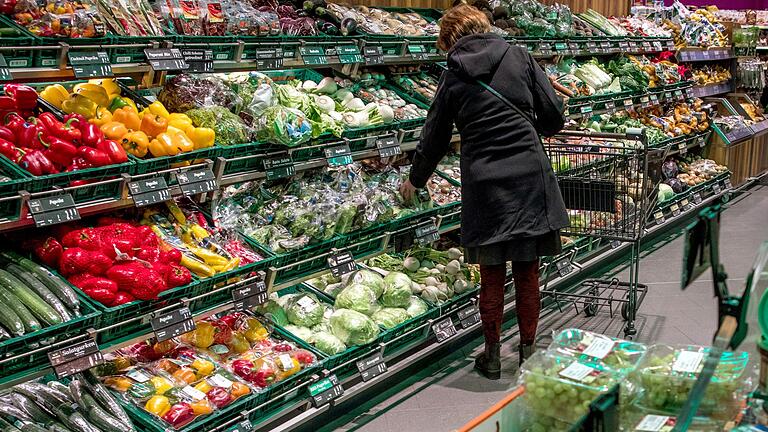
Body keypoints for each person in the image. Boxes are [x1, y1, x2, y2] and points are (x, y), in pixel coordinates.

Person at [399, 4, 569, 380]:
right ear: (484, 25)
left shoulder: (452, 75)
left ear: (450, 41)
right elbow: (554, 120)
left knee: (491, 275)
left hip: (484, 183)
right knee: (528, 271)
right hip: (528, 176)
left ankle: (491, 356)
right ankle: (527, 353)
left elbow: (435, 136)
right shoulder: (520, 57)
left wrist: (416, 180)